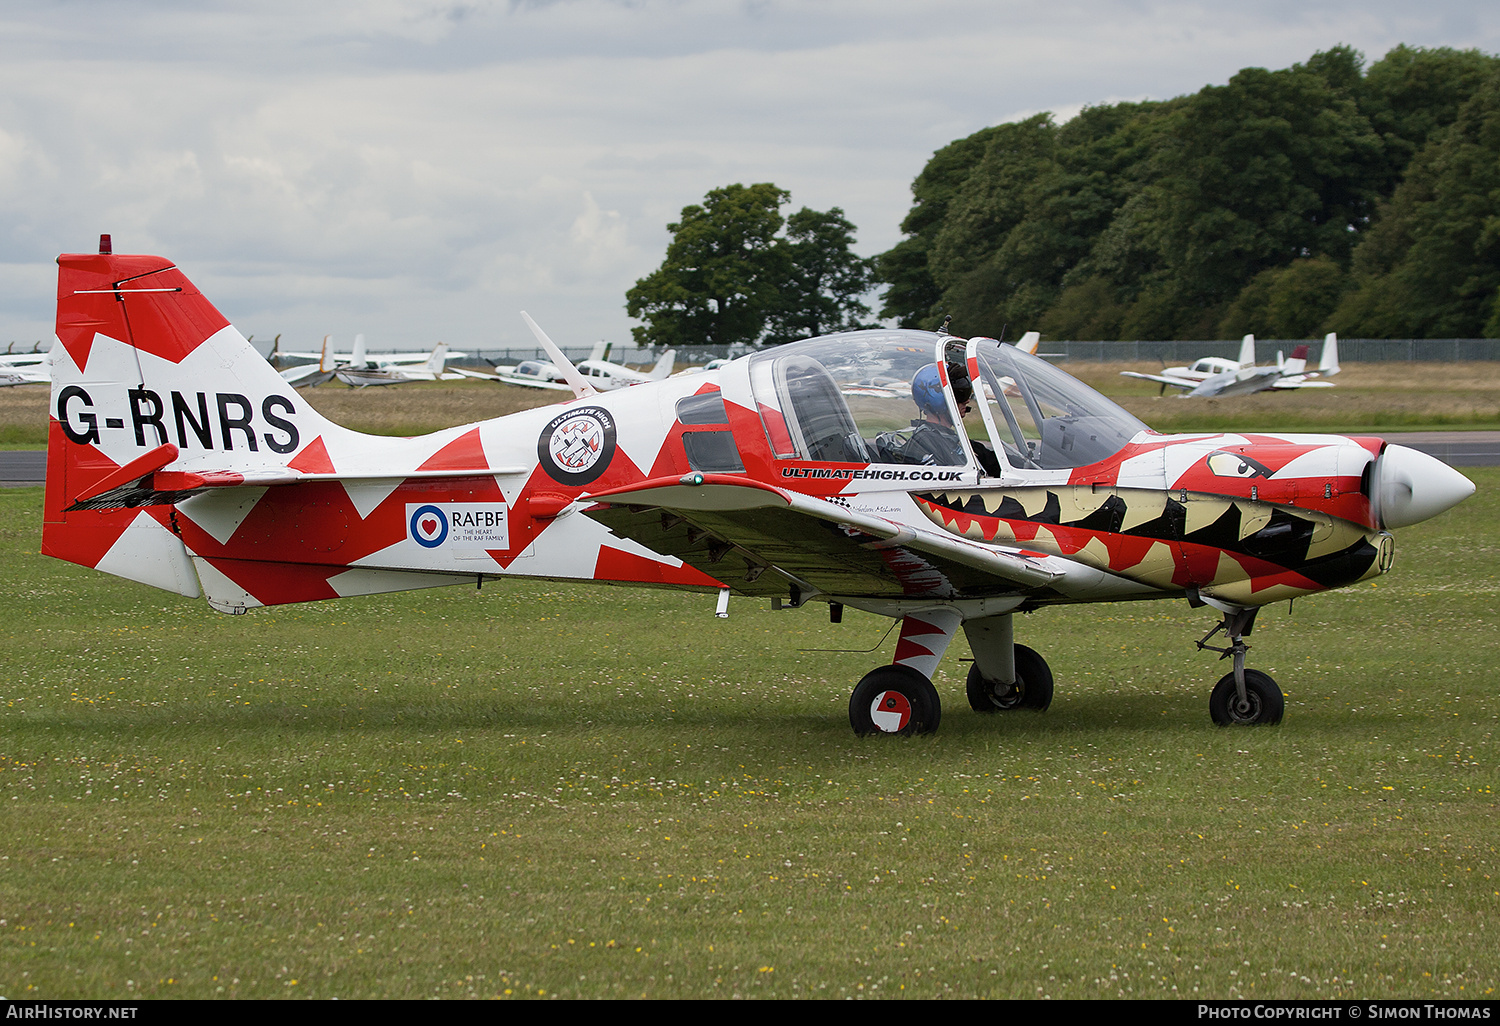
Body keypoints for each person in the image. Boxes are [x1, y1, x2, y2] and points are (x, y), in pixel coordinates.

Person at [899, 362, 1002, 475]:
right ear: (937, 399)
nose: (967, 401)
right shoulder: (924, 444)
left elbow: (993, 462)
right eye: (961, 394)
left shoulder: (952, 439)